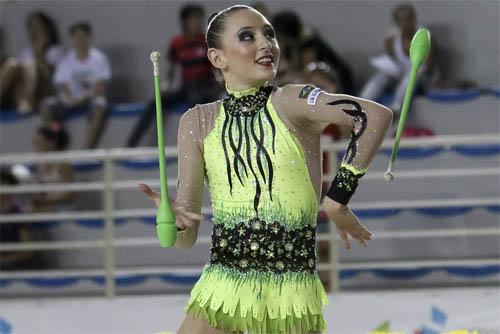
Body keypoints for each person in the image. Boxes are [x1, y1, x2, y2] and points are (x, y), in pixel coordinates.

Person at [139, 5, 392, 333]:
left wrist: (337, 198)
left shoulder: (292, 100)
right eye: (248, 36)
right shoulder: (197, 122)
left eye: (269, 34)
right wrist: (170, 217)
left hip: (289, 291)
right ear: (218, 58)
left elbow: (373, 116)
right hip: (224, 286)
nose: (266, 44)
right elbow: (185, 240)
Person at [126, 3, 221, 147]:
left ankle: (194, 146)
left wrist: (219, 87)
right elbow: (173, 67)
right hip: (186, 86)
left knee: (195, 102)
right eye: (194, 19)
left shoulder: (207, 40)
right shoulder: (177, 43)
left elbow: (217, 67)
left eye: (199, 19)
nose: (198, 23)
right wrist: (166, 85)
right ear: (185, 22)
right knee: (156, 102)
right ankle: (131, 145)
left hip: (205, 86)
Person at [41, 22, 111, 149]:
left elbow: (100, 87)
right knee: (47, 105)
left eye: (83, 36)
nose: (80, 40)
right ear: (72, 39)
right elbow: (63, 86)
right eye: (77, 37)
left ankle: (87, 148)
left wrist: (84, 98)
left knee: (100, 105)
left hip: (91, 99)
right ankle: (56, 140)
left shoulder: (100, 59)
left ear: (90, 37)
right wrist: (69, 98)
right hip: (70, 100)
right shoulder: (66, 60)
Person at [359, 3, 435, 113]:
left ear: (414, 19)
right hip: (400, 76)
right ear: (396, 22)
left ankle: (396, 109)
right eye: (401, 20)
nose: (406, 23)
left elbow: (428, 68)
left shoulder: (426, 37)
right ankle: (362, 104)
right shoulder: (391, 40)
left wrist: (406, 74)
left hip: (421, 79)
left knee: (411, 75)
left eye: (408, 19)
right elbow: (393, 63)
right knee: (380, 77)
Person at [272, 11, 355, 95]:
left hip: (339, 84)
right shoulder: (293, 43)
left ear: (285, 36)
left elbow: (308, 73)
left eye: (279, 36)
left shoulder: (309, 45)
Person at [31, 122, 74, 212]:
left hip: (62, 206)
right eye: (35, 141)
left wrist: (49, 201)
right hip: (47, 205)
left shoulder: (63, 164)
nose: (35, 144)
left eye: (38, 141)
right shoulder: (40, 164)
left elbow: (71, 194)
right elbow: (42, 190)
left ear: (51, 143)